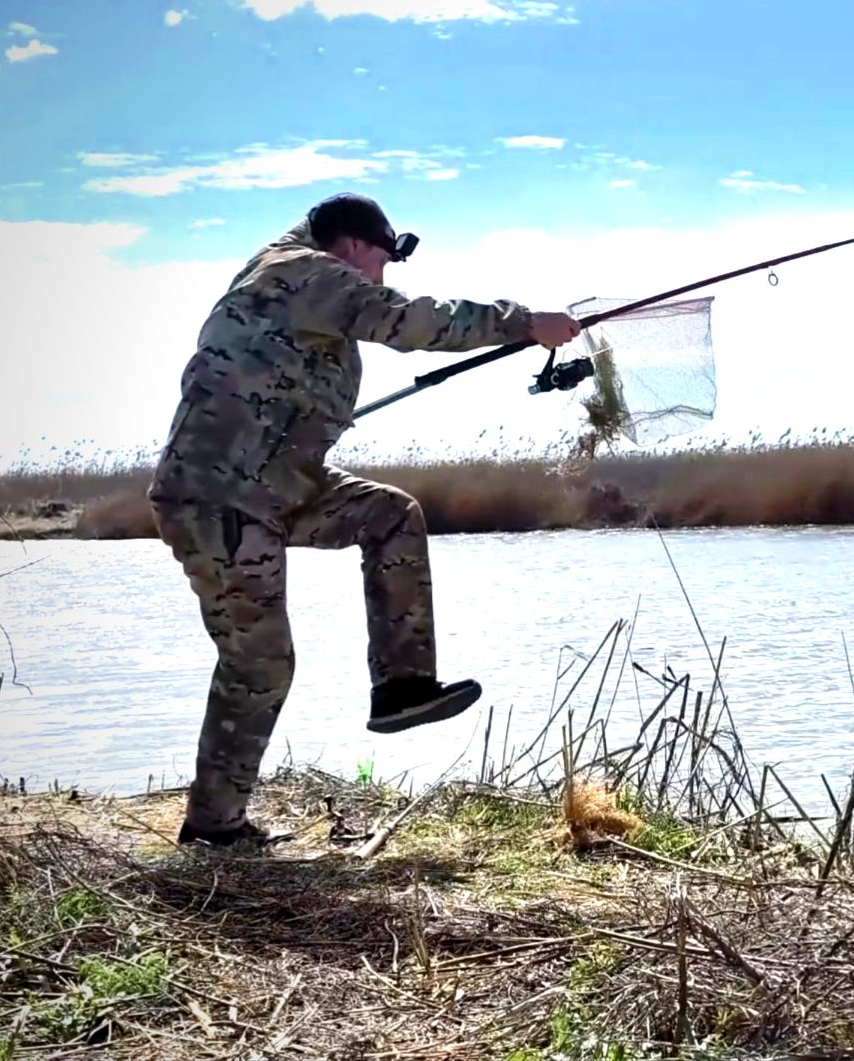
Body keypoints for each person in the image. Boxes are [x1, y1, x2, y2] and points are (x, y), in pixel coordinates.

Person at [148, 192, 580, 846]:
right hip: (222, 497)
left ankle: (402, 687)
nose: (382, 273)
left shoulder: (293, 279)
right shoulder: (305, 272)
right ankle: (213, 831)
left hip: (276, 485)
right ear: (352, 245)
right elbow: (406, 323)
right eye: (383, 258)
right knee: (260, 663)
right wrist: (525, 323)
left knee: (388, 514)